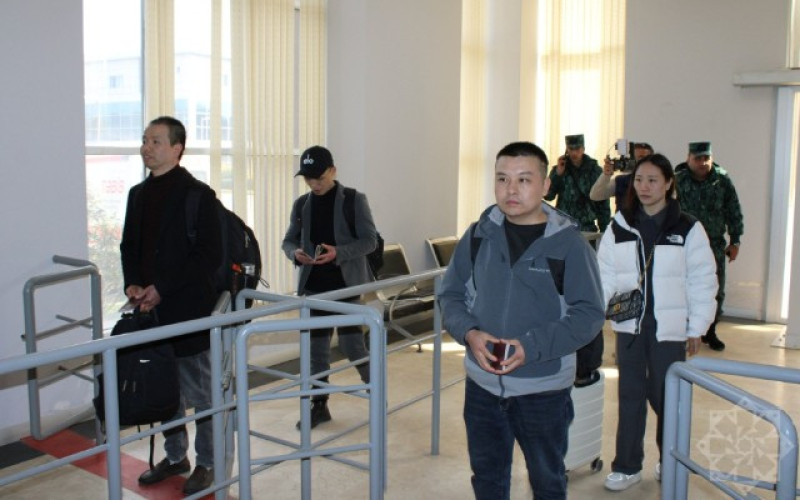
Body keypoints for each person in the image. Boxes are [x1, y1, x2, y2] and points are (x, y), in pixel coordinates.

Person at [439, 141, 605, 499]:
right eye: (502, 179)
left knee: (547, 482)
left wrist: (531, 347)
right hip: (482, 388)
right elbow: (449, 295)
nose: (511, 189)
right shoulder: (478, 235)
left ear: (546, 185)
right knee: (487, 480)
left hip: (543, 391)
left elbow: (589, 314)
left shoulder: (570, 246)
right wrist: (469, 333)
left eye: (524, 179)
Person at [597, 153, 717, 491]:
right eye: (639, 180)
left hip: (670, 328)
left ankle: (671, 459)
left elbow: (703, 279)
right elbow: (604, 274)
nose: (644, 187)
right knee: (630, 394)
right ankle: (627, 465)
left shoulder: (687, 227)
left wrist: (697, 326)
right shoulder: (620, 225)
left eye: (652, 180)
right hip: (630, 326)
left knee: (666, 396)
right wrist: (601, 309)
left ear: (668, 184)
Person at [121, 116, 222, 495]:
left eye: (156, 141)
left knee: (202, 396)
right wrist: (133, 282)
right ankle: (176, 456)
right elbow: (129, 246)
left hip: (188, 312)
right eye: (144, 140)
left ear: (177, 148)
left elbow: (208, 255)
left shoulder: (198, 195)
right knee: (164, 392)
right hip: (152, 313)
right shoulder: (138, 194)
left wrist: (162, 288)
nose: (146, 148)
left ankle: (208, 462)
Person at [282, 145, 378, 429]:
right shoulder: (302, 204)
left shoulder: (354, 200)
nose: (314, 184)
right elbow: (288, 240)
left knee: (353, 346)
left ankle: (376, 392)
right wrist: (295, 253)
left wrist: (339, 252)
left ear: (333, 171)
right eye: (308, 178)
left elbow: (370, 241)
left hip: (346, 287)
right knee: (316, 351)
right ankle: (319, 405)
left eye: (319, 178)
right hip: (314, 289)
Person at [674, 142, 743, 351]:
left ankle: (710, 330)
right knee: (681, 287)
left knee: (715, 288)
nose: (703, 163)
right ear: (688, 158)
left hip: (714, 244)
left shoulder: (722, 180)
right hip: (683, 244)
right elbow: (667, 209)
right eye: (698, 158)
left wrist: (735, 241)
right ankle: (683, 329)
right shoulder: (678, 181)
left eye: (706, 158)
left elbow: (733, 210)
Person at [545, 134, 611, 233]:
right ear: (567, 150)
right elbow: (548, 196)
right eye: (571, 149)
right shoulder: (560, 169)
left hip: (586, 227)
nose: (574, 153)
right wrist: (557, 174)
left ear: (583, 149)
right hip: (562, 227)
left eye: (577, 149)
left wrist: (604, 231)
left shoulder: (594, 170)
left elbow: (603, 202)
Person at [590, 142, 655, 208]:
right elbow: (595, 195)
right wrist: (606, 175)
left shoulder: (658, 183)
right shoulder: (621, 181)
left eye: (642, 158)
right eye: (634, 158)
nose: (637, 162)